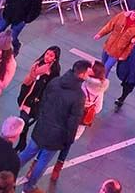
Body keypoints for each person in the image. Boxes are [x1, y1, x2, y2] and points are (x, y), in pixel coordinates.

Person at [18, 60, 91, 191]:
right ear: (82, 74)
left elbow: (44, 100)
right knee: (43, 161)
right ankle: (28, 187)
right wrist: (69, 140)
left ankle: (9, 172)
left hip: (42, 125)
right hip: (57, 135)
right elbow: (73, 121)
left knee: (28, 152)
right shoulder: (79, 96)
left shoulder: (56, 81)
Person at [52, 62, 108, 180]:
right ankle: (57, 168)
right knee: (67, 144)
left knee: (53, 138)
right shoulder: (100, 91)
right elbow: (98, 109)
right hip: (81, 122)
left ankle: (36, 163)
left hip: (69, 116)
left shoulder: (83, 84)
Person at [15, 47, 60, 151]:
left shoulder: (53, 71)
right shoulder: (37, 64)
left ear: (55, 58)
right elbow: (28, 79)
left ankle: (22, 143)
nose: (47, 57)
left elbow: (52, 87)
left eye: (51, 55)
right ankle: (22, 142)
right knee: (23, 120)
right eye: (47, 53)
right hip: (28, 95)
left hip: (37, 100)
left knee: (24, 120)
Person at [94, 9, 135, 73]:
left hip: (118, 52)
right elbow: (110, 25)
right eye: (134, 12)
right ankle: (97, 80)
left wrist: (124, 55)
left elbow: (133, 44)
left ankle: (102, 82)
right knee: (101, 66)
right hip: (108, 45)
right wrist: (100, 34)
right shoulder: (121, 16)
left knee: (106, 68)